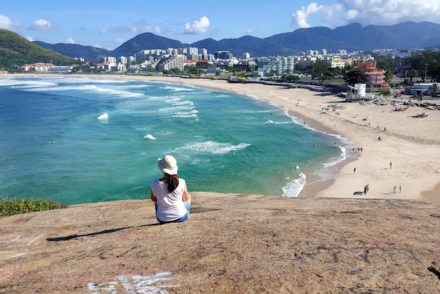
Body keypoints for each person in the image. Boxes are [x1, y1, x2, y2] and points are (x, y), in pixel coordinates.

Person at [150, 155, 191, 223]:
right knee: (188, 197)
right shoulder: (182, 182)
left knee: (157, 202)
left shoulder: (154, 183)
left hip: (162, 219)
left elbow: (153, 199)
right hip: (181, 217)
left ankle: (165, 214)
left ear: (163, 169)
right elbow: (186, 198)